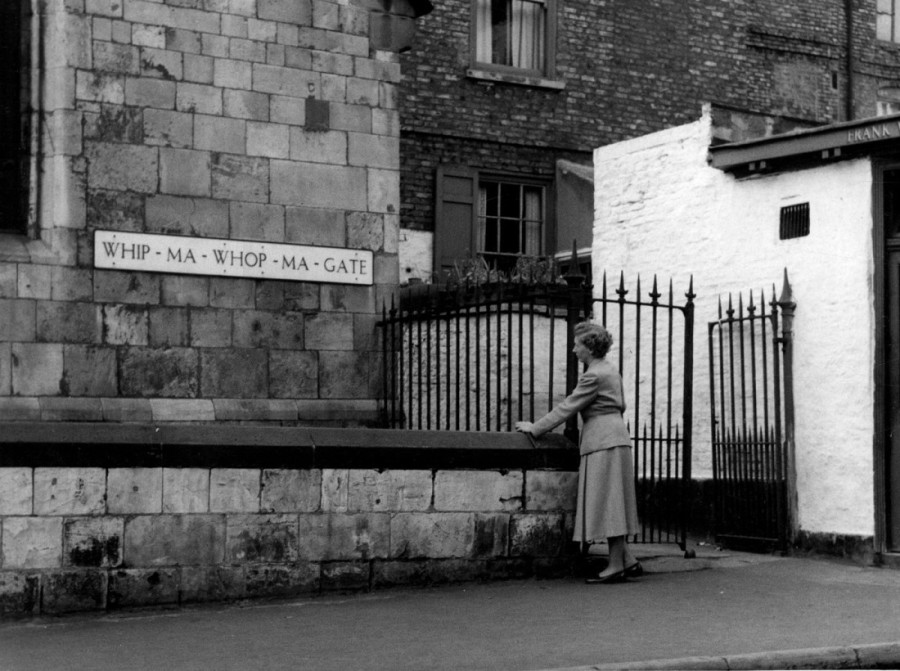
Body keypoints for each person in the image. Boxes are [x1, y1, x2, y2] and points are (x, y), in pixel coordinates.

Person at [515, 321, 641, 584]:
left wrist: (535, 428)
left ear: (590, 348)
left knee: (608, 501)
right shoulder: (610, 371)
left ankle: (616, 565)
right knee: (614, 499)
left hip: (602, 441)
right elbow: (622, 405)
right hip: (616, 437)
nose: (574, 350)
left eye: (577, 345)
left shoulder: (593, 375)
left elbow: (567, 407)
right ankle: (627, 559)